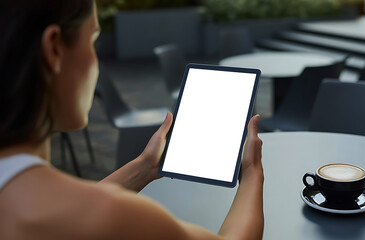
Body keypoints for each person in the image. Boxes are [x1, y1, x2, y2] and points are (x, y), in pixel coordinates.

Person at [0, 0, 264, 239]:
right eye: (93, 41)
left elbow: (66, 208)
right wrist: (252, 172)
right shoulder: (114, 216)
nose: (96, 61)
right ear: (54, 49)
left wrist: (146, 166)